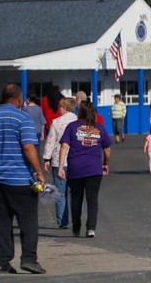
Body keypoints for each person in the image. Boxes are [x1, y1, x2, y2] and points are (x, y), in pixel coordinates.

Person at [0, 84, 45, 274]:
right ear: (19, 100)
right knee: (28, 220)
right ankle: (29, 258)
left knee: (1, 221)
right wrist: (39, 172)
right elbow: (29, 148)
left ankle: (1, 261)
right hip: (20, 179)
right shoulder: (23, 118)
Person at [58, 101, 112, 238]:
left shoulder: (72, 127)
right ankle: (91, 228)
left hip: (75, 168)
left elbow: (64, 146)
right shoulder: (99, 128)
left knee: (76, 198)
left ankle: (76, 225)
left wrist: (60, 167)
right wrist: (106, 163)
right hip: (94, 169)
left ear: (79, 112)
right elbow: (107, 149)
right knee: (92, 199)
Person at [43, 97, 77, 230]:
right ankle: (76, 220)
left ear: (64, 108)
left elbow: (50, 141)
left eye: (59, 107)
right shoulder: (78, 120)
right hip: (75, 159)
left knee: (60, 192)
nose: (58, 110)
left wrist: (46, 159)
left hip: (58, 160)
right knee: (75, 192)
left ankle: (62, 221)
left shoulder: (56, 122)